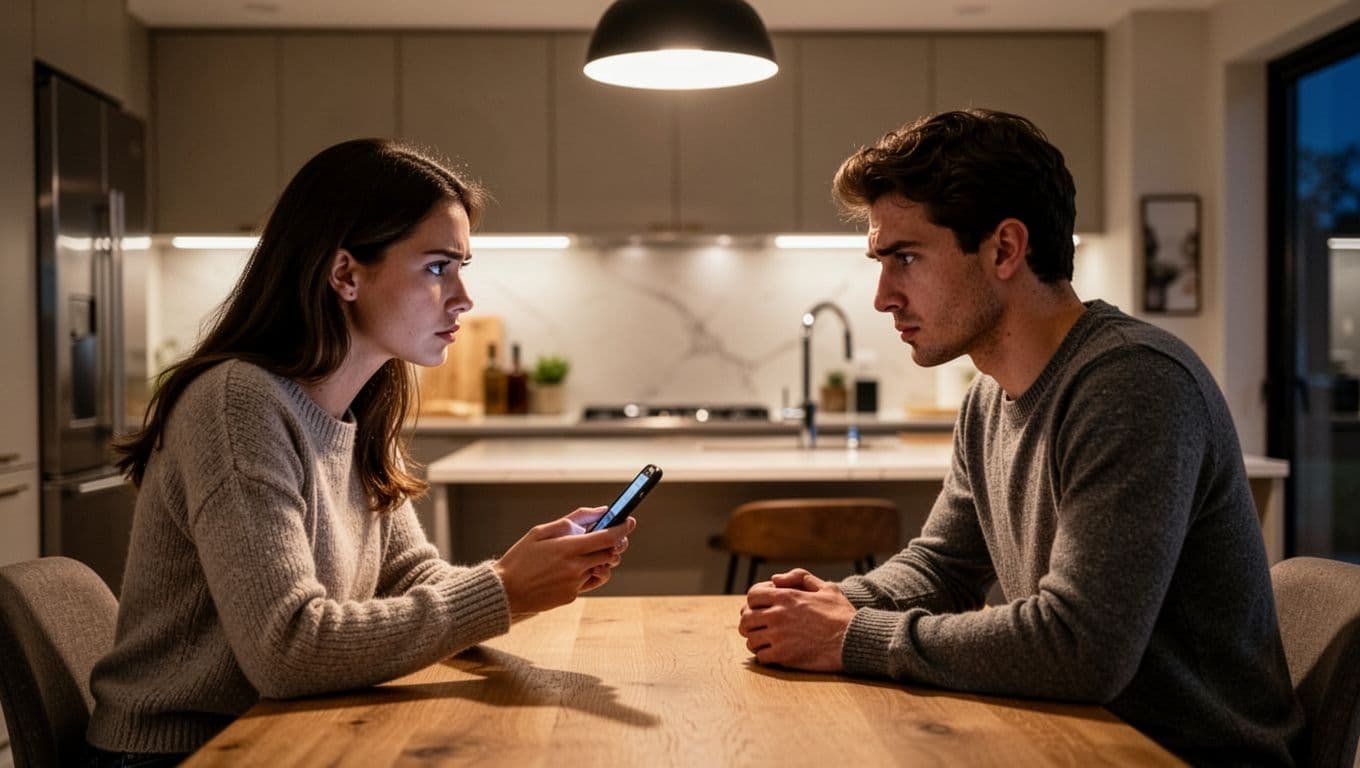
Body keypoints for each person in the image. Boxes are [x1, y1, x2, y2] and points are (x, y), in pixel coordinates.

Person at [737, 109, 1302, 764]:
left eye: (906, 258)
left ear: (1005, 249)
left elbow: (1079, 648)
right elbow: (943, 567)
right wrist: (826, 607)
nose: (883, 296)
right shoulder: (989, 397)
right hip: (1080, 737)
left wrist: (850, 637)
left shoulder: (1133, 384)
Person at [84, 138, 635, 764]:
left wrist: (526, 571)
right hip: (184, 751)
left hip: (282, 733)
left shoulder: (356, 405)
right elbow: (287, 650)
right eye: (436, 267)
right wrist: (505, 588)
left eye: (462, 267)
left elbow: (409, 578)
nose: (463, 297)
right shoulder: (237, 404)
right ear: (345, 274)